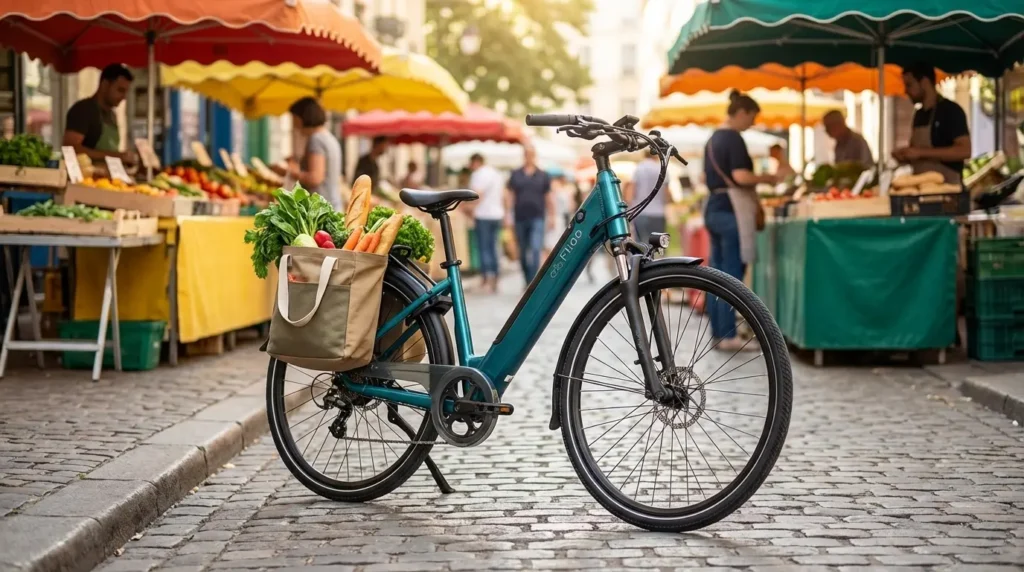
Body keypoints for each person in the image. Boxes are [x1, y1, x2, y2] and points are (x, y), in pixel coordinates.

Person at [703, 90, 780, 351]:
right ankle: (729, 336)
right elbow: (741, 176)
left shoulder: (713, 138)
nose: (753, 124)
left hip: (713, 206)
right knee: (732, 275)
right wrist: (768, 179)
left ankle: (718, 332)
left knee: (715, 274)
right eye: (752, 117)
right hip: (730, 210)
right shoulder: (733, 139)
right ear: (743, 112)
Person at [893, 61, 971, 184]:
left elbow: (965, 150)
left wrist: (920, 153)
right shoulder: (918, 115)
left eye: (909, 85)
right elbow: (917, 153)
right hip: (921, 189)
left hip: (948, 190)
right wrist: (905, 155)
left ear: (924, 82)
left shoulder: (951, 111)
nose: (905, 91)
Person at [63, 63, 136, 165]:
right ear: (105, 84)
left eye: (126, 92)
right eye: (120, 90)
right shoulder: (83, 110)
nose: (124, 97)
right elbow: (70, 148)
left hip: (110, 179)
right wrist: (116, 156)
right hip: (86, 179)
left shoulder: (112, 115)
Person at [283, 98, 343, 210]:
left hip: (322, 210)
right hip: (333, 205)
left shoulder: (316, 140)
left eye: (294, 118)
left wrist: (291, 171)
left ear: (302, 118)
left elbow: (315, 178)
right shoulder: (329, 137)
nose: (294, 124)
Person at [505, 145, 552, 284]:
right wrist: (508, 214)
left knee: (536, 247)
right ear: (524, 155)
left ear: (534, 155)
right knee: (523, 250)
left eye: (531, 154)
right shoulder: (516, 174)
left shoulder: (543, 174)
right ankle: (527, 278)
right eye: (527, 154)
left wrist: (553, 217)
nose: (529, 157)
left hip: (538, 216)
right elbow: (509, 195)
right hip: (520, 217)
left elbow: (549, 197)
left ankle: (533, 281)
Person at [468, 153, 505, 293]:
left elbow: (477, 195)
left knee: (483, 248)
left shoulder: (478, 174)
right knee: (494, 246)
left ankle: (486, 279)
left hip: (483, 214)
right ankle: (495, 278)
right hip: (497, 214)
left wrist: (468, 208)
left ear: (476, 162)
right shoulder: (496, 173)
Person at [626, 153, 669, 244]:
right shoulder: (662, 168)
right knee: (659, 245)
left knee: (641, 245)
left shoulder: (639, 168)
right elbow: (667, 193)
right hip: (658, 213)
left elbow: (631, 190)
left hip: (641, 211)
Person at [543, 173, 573, 259]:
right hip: (555, 218)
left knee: (554, 243)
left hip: (560, 219)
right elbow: (551, 204)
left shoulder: (563, 189)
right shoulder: (555, 188)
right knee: (551, 244)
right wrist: (552, 218)